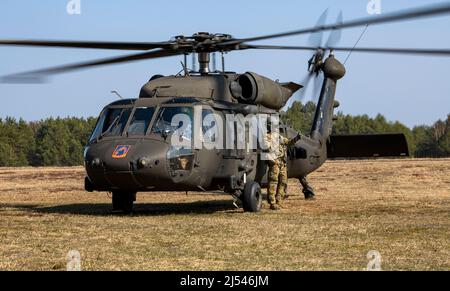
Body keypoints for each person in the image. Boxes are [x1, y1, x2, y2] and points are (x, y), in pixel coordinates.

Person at [266, 129, 301, 210]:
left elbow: (288, 142)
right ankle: (272, 203)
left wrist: (296, 138)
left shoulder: (279, 136)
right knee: (273, 182)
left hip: (282, 163)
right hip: (275, 163)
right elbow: (265, 149)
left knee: (283, 182)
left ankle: (279, 201)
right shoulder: (267, 137)